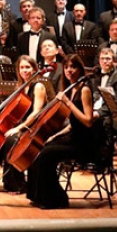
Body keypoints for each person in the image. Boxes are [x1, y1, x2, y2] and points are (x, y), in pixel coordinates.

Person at [26, 54, 103, 209]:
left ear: (80, 69)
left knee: (46, 155)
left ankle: (55, 199)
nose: (69, 70)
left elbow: (88, 121)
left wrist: (67, 103)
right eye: (67, 67)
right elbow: (72, 124)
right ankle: (37, 195)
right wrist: (55, 135)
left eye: (73, 67)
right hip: (72, 136)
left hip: (84, 142)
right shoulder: (70, 89)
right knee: (39, 149)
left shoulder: (84, 90)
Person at [0, 55, 47, 193]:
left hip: (32, 127)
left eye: (28, 67)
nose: (25, 70)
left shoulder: (38, 86)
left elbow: (36, 113)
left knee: (9, 140)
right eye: (22, 67)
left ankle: (16, 184)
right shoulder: (20, 86)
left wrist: (18, 128)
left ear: (34, 69)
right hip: (20, 125)